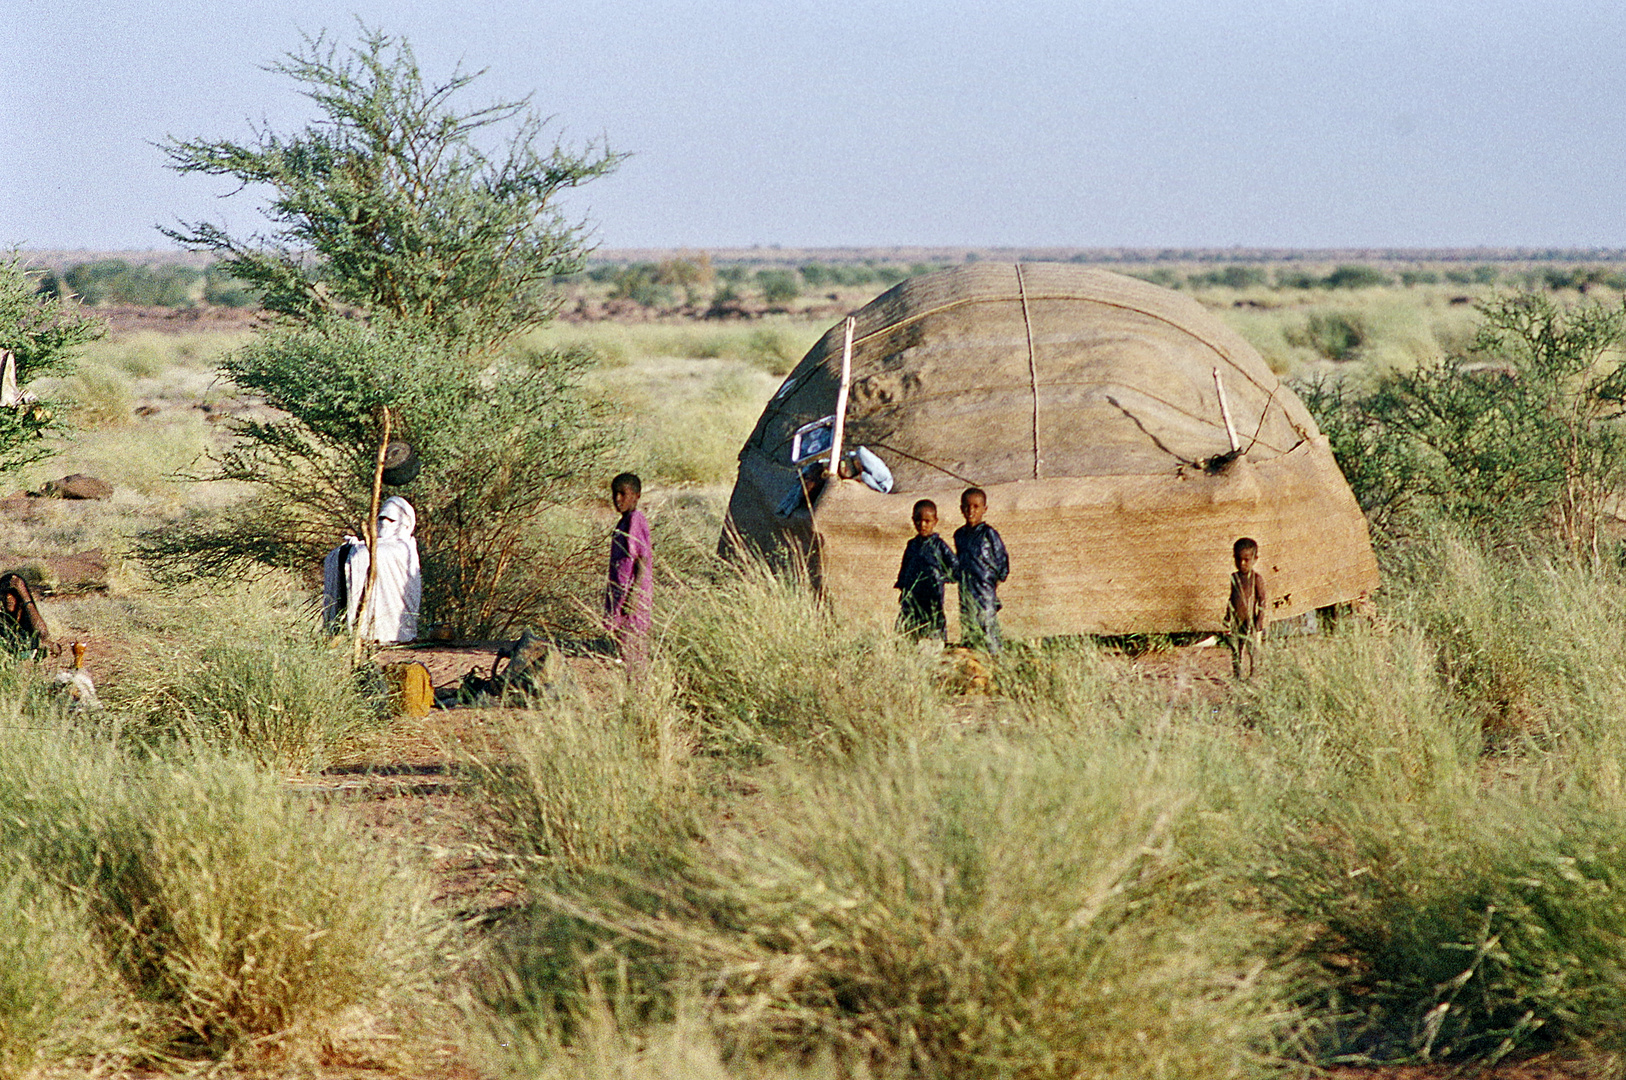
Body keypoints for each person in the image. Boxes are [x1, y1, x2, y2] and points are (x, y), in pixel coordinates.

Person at [322, 495, 422, 644]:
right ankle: (340, 628)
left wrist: (358, 552)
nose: (385, 524)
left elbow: (372, 554)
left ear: (406, 524)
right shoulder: (370, 545)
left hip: (395, 629)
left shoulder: (404, 548)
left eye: (391, 520)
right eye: (381, 519)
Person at [953, 487, 1009, 656]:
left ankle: (996, 659)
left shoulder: (989, 533)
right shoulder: (959, 534)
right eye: (967, 507)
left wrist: (994, 581)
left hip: (984, 586)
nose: (971, 511)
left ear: (984, 509)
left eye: (976, 507)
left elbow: (1002, 559)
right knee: (968, 620)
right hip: (966, 585)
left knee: (987, 622)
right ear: (961, 508)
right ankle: (974, 660)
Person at [605, 472, 652, 664]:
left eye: (623, 494)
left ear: (637, 495)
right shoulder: (624, 521)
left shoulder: (635, 519)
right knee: (622, 643)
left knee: (632, 644)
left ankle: (638, 689)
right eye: (615, 493)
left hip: (631, 594)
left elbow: (642, 558)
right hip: (622, 592)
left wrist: (633, 593)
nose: (618, 499)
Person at [894, 499, 955, 639]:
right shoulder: (912, 545)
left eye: (927, 521)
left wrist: (941, 577)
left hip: (932, 595)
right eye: (918, 520)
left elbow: (954, 565)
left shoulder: (939, 546)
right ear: (913, 520)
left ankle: (937, 647)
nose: (922, 525)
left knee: (933, 625)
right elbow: (905, 567)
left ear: (935, 521)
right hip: (912, 594)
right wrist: (903, 586)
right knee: (908, 625)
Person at [1224, 536, 1268, 679]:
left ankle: (1253, 675)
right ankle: (1237, 675)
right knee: (1236, 649)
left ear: (1255, 559)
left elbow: (1262, 600)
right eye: (1238, 559)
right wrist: (1227, 616)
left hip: (1250, 621)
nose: (1242, 563)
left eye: (1246, 560)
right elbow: (1232, 598)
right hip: (1237, 621)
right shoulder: (1234, 578)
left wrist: (1259, 620)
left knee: (1252, 649)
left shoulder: (1256, 579)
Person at [0, 573, 49, 658]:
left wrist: (25, 596)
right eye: (4, 593)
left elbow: (43, 633)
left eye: (12, 593)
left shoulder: (28, 617)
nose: (8, 597)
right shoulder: (2, 618)